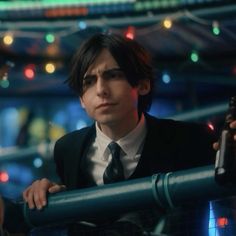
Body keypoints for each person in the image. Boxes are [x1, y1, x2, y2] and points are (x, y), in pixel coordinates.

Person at [0, 33, 236, 235]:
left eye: (113, 75)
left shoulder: (191, 140)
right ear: (82, 99)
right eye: (89, 81)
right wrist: (46, 194)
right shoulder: (67, 149)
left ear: (142, 85)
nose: (101, 90)